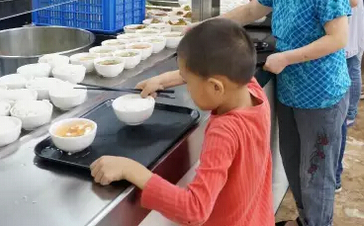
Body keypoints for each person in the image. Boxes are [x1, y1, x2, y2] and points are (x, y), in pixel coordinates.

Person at [225, 0, 351, 226]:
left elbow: (338, 38)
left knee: (316, 173)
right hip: (291, 91)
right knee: (293, 164)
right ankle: (306, 219)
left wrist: (286, 57)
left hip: (322, 95)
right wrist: (208, 27)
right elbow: (251, 11)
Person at [90, 19, 274, 226]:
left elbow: (194, 210)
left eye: (188, 82)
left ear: (215, 87)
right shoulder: (250, 88)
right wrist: (161, 81)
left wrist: (131, 170)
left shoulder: (224, 132)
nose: (186, 86)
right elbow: (209, 71)